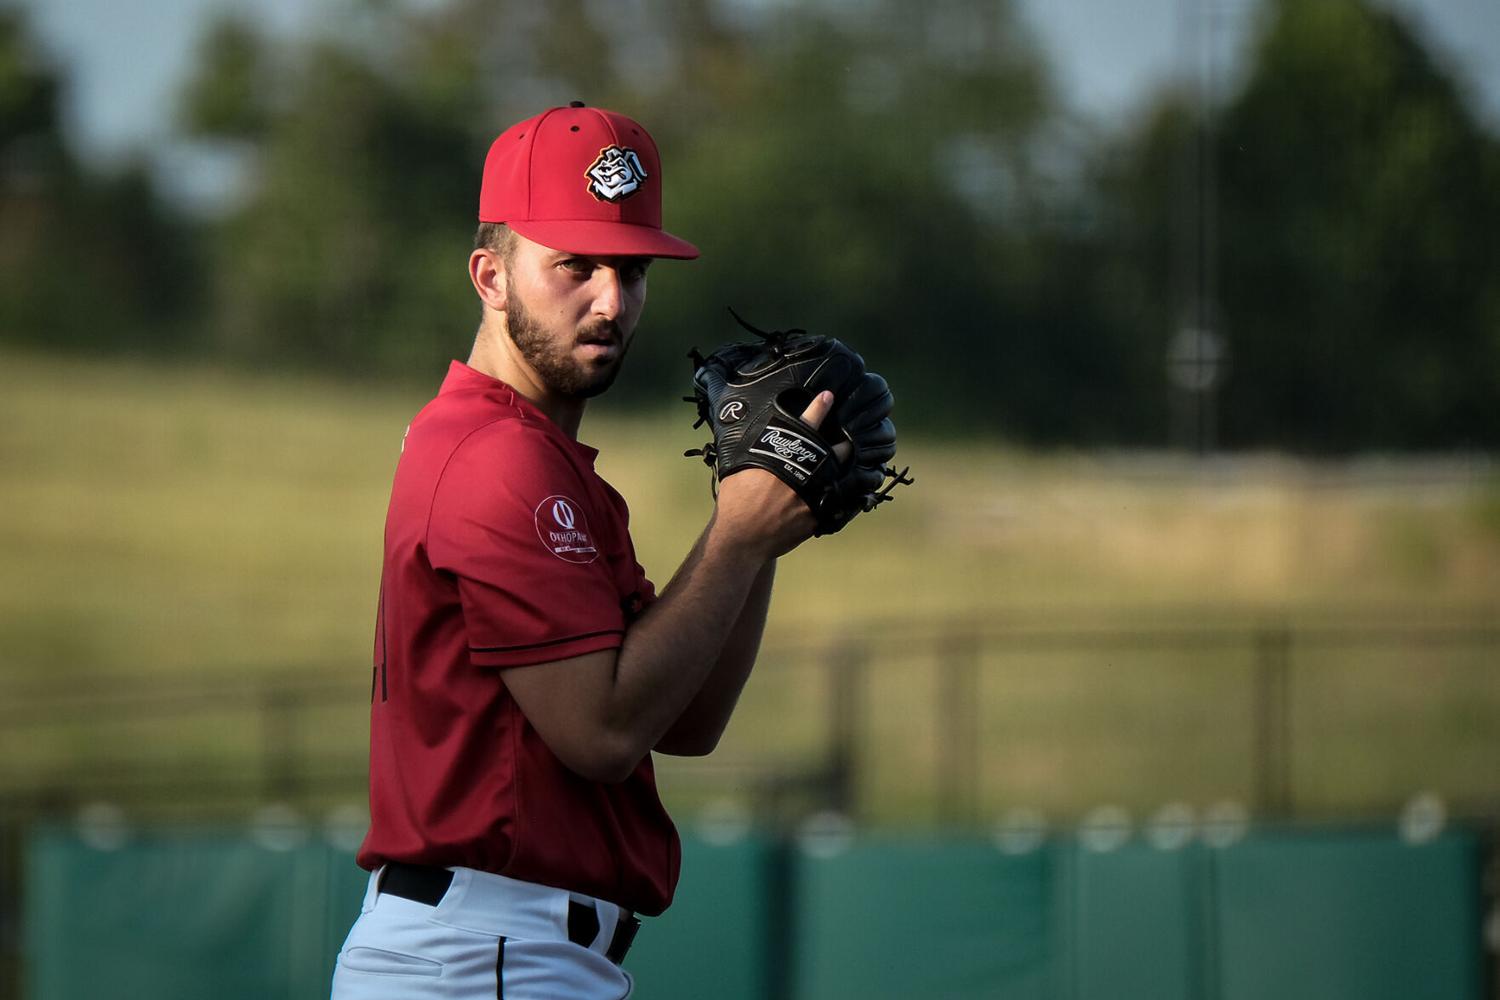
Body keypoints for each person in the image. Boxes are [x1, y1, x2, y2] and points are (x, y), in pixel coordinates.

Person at [329, 103, 835, 999]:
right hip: (482, 954)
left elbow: (683, 720)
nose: (611, 298)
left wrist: (761, 532)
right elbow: (602, 733)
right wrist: (734, 533)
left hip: (505, 954)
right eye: (575, 264)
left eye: (630, 268)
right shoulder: (498, 458)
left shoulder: (546, 463)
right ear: (490, 276)